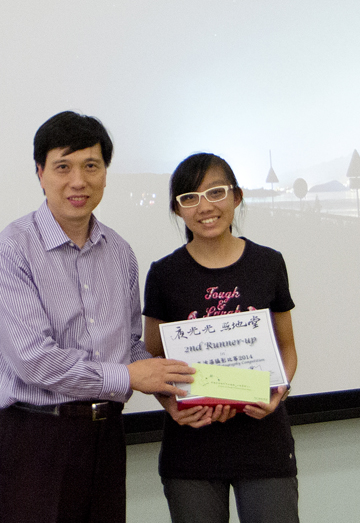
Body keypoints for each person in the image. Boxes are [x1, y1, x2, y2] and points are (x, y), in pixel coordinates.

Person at [0, 111, 196, 523]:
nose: (78, 181)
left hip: (106, 437)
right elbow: (34, 360)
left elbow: (129, 344)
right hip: (36, 439)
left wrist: (175, 390)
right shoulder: (10, 252)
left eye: (91, 166)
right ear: (40, 173)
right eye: (63, 167)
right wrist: (130, 377)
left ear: (105, 174)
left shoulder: (120, 253)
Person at [143, 153, 299, 523]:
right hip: (192, 450)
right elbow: (152, 359)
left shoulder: (268, 263)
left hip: (263, 445)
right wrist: (171, 405)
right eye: (190, 198)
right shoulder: (164, 274)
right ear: (177, 209)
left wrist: (278, 393)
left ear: (236, 197)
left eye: (216, 192)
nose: (205, 207)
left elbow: (287, 348)